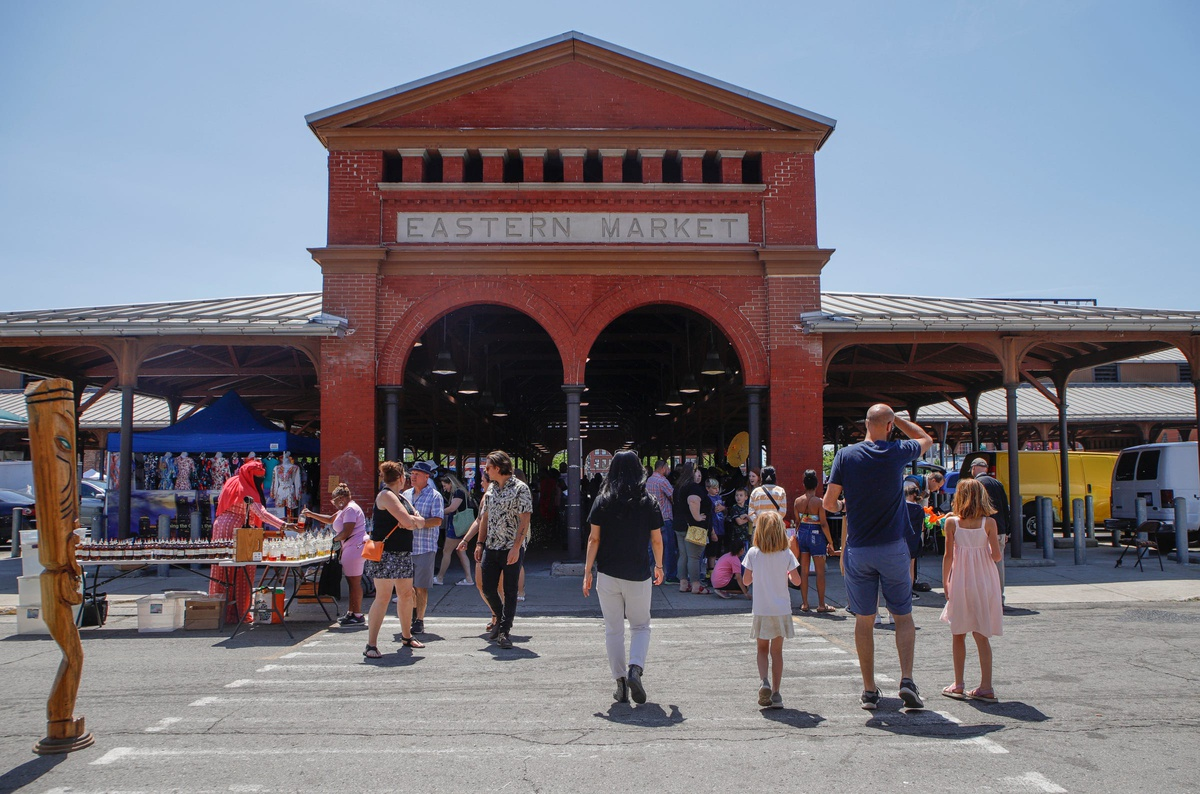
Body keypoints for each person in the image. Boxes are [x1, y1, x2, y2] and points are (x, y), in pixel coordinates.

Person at [824, 404, 933, 711]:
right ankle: (907, 680)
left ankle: (870, 690)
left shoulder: (846, 456)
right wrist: (898, 419)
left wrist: (847, 506)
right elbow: (926, 439)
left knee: (864, 618)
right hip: (893, 547)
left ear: (865, 425)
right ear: (888, 427)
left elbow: (830, 503)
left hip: (859, 548)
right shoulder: (898, 450)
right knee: (903, 615)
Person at [582, 450, 665, 704]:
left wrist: (587, 572)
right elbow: (657, 540)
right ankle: (635, 669)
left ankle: (620, 684)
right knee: (641, 626)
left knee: (613, 630)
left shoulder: (602, 500)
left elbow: (593, 538)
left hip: (608, 574)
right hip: (638, 574)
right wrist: (659, 566)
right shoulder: (649, 501)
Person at [939, 478, 1004, 703]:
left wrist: (945, 582)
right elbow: (996, 556)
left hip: (960, 579)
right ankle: (986, 686)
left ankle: (958, 683)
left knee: (958, 633)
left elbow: (948, 556)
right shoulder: (989, 523)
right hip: (985, 579)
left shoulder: (951, 523)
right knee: (981, 633)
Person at [209, 457, 289, 624]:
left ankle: (218, 612)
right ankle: (239, 612)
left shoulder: (232, 481)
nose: (259, 481)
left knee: (221, 571)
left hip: (220, 527)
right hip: (240, 532)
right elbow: (261, 514)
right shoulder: (247, 489)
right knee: (243, 571)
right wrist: (284, 526)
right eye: (258, 478)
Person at [364, 460, 425, 659]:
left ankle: (406, 636)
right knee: (383, 597)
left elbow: (419, 521)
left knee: (407, 594)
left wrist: (412, 522)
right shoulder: (386, 495)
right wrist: (412, 522)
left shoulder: (401, 498)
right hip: (385, 554)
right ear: (401, 478)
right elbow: (410, 521)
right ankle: (371, 644)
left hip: (402, 553)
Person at [742, 511, 802, 709]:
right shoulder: (786, 553)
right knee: (777, 652)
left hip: (761, 608)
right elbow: (797, 581)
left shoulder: (753, 553)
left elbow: (746, 580)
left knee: (761, 649)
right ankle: (776, 693)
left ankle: (764, 681)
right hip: (781, 609)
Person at [475, 450, 533, 650]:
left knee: (510, 590)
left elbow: (525, 518)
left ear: (498, 468)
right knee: (488, 587)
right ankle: (500, 617)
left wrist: (517, 547)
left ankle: (504, 631)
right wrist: (479, 543)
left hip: (511, 547)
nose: (486, 471)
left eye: (488, 468)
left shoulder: (520, 488)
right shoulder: (490, 489)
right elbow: (485, 517)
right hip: (492, 546)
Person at [301, 482, 367, 625]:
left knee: (354, 582)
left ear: (342, 498)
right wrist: (311, 514)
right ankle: (352, 612)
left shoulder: (350, 509)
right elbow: (331, 520)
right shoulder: (346, 509)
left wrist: (333, 540)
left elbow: (346, 531)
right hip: (352, 547)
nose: (334, 504)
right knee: (351, 582)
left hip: (354, 547)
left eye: (335, 501)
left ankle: (358, 614)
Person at [404, 460, 445, 636]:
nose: (413, 476)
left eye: (417, 474)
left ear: (426, 477)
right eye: (412, 473)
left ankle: (419, 619)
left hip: (425, 547)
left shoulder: (435, 496)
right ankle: (411, 615)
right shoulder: (405, 494)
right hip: (406, 547)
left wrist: (418, 523)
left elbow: (437, 520)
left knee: (421, 586)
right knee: (406, 586)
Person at [793, 469, 837, 613]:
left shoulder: (797, 501)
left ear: (804, 484)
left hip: (803, 534)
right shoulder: (819, 502)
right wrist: (830, 542)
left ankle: (805, 604)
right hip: (816, 535)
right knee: (820, 572)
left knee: (804, 571)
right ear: (817, 484)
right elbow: (823, 524)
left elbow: (797, 522)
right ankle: (821, 605)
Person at [968, 457, 1010, 607]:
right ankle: (999, 599)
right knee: (998, 565)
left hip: (983, 530)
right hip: (1000, 529)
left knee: (980, 565)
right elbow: (1006, 508)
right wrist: (1007, 531)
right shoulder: (997, 483)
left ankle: (984, 598)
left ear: (974, 469)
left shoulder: (976, 484)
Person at [672, 461, 710, 594]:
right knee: (693, 556)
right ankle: (695, 585)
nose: (699, 474)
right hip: (692, 526)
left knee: (683, 556)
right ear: (693, 472)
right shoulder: (693, 487)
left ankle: (683, 583)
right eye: (697, 471)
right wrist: (697, 517)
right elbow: (693, 500)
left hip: (679, 525)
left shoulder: (678, 486)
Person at [435, 472, 473, 586]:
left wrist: (438, 513)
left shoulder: (458, 493)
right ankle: (469, 578)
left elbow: (452, 508)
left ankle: (440, 577)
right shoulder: (461, 492)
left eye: (445, 485)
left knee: (447, 551)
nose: (444, 488)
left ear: (450, 483)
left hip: (456, 527)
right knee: (461, 552)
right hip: (460, 526)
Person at [645, 459, 677, 583]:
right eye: (667, 467)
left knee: (651, 547)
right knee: (669, 548)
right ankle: (670, 575)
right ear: (663, 468)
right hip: (665, 517)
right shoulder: (663, 481)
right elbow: (673, 497)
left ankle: (647, 572)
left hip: (651, 518)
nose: (668, 470)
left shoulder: (649, 480)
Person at [903, 482, 925, 601]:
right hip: (914, 540)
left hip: (901, 540)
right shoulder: (919, 509)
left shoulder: (900, 507)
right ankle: (908, 592)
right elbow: (922, 527)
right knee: (911, 566)